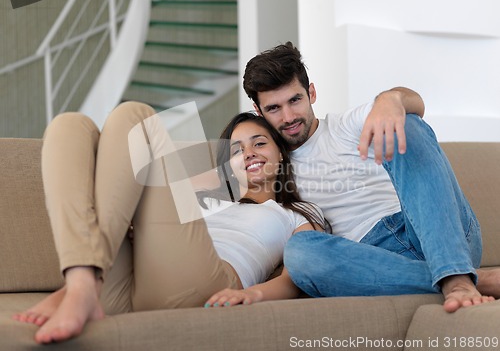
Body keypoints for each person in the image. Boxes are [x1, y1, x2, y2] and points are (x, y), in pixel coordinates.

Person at [13, 102, 329, 344]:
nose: (248, 154)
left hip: (205, 283)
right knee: (71, 126)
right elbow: (136, 197)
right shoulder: (213, 194)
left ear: (281, 153)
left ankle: (79, 284)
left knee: (135, 115)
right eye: (236, 150)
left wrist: (254, 295)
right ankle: (85, 278)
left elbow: (300, 271)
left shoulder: (296, 212)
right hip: (125, 287)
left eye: (259, 143)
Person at [239, 41, 500, 313]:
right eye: (274, 109)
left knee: (405, 121)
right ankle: (470, 280)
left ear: (311, 93)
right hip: (372, 261)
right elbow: (213, 190)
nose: (289, 116)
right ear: (258, 112)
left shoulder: (344, 126)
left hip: (435, 231)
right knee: (300, 252)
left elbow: (415, 104)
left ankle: (456, 275)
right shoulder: (266, 164)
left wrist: (391, 99)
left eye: (295, 100)